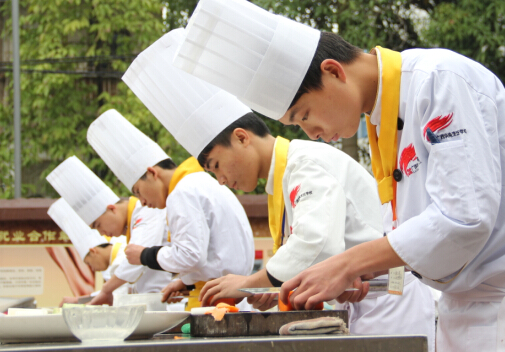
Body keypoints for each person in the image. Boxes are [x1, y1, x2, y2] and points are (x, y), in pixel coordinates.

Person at [172, 0, 505, 351]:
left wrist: (349, 263)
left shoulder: (439, 80)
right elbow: (418, 238)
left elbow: (463, 219)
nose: (313, 133)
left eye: (305, 115)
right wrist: (368, 275)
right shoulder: (382, 119)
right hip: (467, 309)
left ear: (333, 72)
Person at [123, 29, 436, 347]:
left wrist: (252, 282)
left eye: (216, 165)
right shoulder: (285, 178)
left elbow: (316, 241)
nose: (221, 180)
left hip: (390, 303)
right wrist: (271, 287)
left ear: (242, 138)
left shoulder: (304, 163)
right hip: (362, 304)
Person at [87, 108, 254, 311]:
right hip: (226, 294)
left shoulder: (181, 192)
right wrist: (186, 282)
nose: (142, 202)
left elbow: (190, 256)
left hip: (217, 302)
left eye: (139, 191)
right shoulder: (199, 182)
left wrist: (145, 255)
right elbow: (215, 252)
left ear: (152, 173)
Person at [46, 156, 171, 304]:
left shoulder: (147, 211)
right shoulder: (135, 221)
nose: (101, 233)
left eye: (98, 225)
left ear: (111, 209)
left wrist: (106, 289)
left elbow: (136, 259)